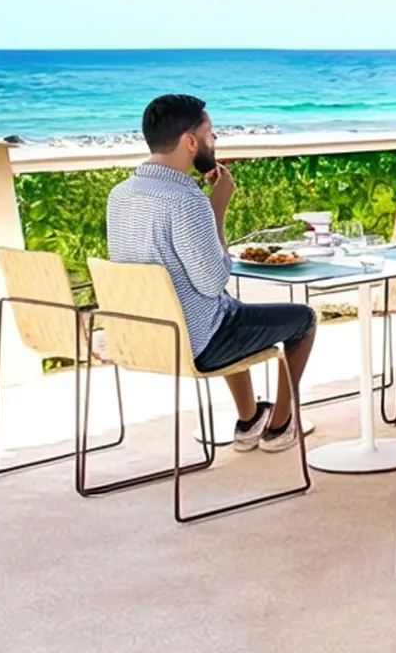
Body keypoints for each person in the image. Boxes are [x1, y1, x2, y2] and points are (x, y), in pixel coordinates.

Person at [106, 94, 316, 452]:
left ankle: (249, 420)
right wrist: (216, 207)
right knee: (303, 319)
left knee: (228, 307)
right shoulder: (186, 200)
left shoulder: (120, 194)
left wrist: (212, 205)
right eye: (211, 133)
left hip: (146, 337)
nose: (214, 141)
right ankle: (280, 426)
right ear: (190, 142)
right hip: (198, 345)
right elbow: (213, 280)